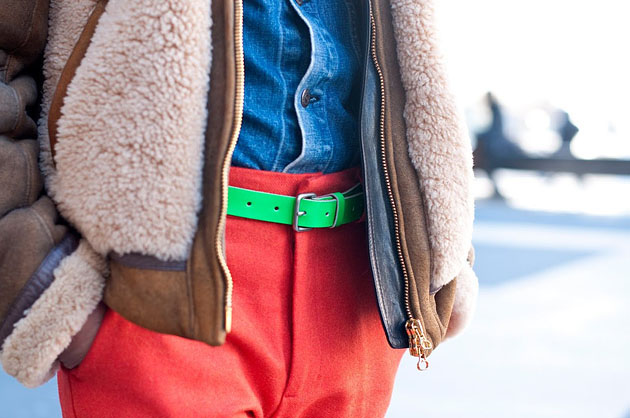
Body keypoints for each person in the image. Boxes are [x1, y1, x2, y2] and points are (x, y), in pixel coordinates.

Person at [0, 0, 478, 416]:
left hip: (355, 287)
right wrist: (39, 285)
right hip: (161, 285)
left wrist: (441, 242)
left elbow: (417, 57)